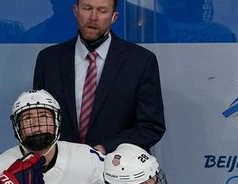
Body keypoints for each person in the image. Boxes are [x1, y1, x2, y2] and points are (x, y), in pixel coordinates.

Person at [32, 0, 166, 154]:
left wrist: (104, 149)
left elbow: (151, 126)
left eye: (102, 11)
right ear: (76, 11)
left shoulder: (141, 61)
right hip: (61, 168)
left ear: (114, 17)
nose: (93, 17)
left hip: (117, 169)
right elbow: (39, 119)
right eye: (87, 8)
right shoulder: (49, 60)